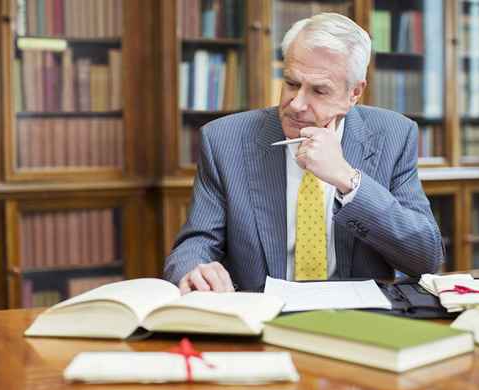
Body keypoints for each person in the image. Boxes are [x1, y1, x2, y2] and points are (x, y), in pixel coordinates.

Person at [163, 13, 444, 293]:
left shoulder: (393, 135)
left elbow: (425, 257)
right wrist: (194, 271)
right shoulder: (225, 140)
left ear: (354, 94)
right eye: (292, 84)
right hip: (263, 314)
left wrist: (348, 180)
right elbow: (196, 243)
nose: (296, 104)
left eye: (319, 91)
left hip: (360, 318)